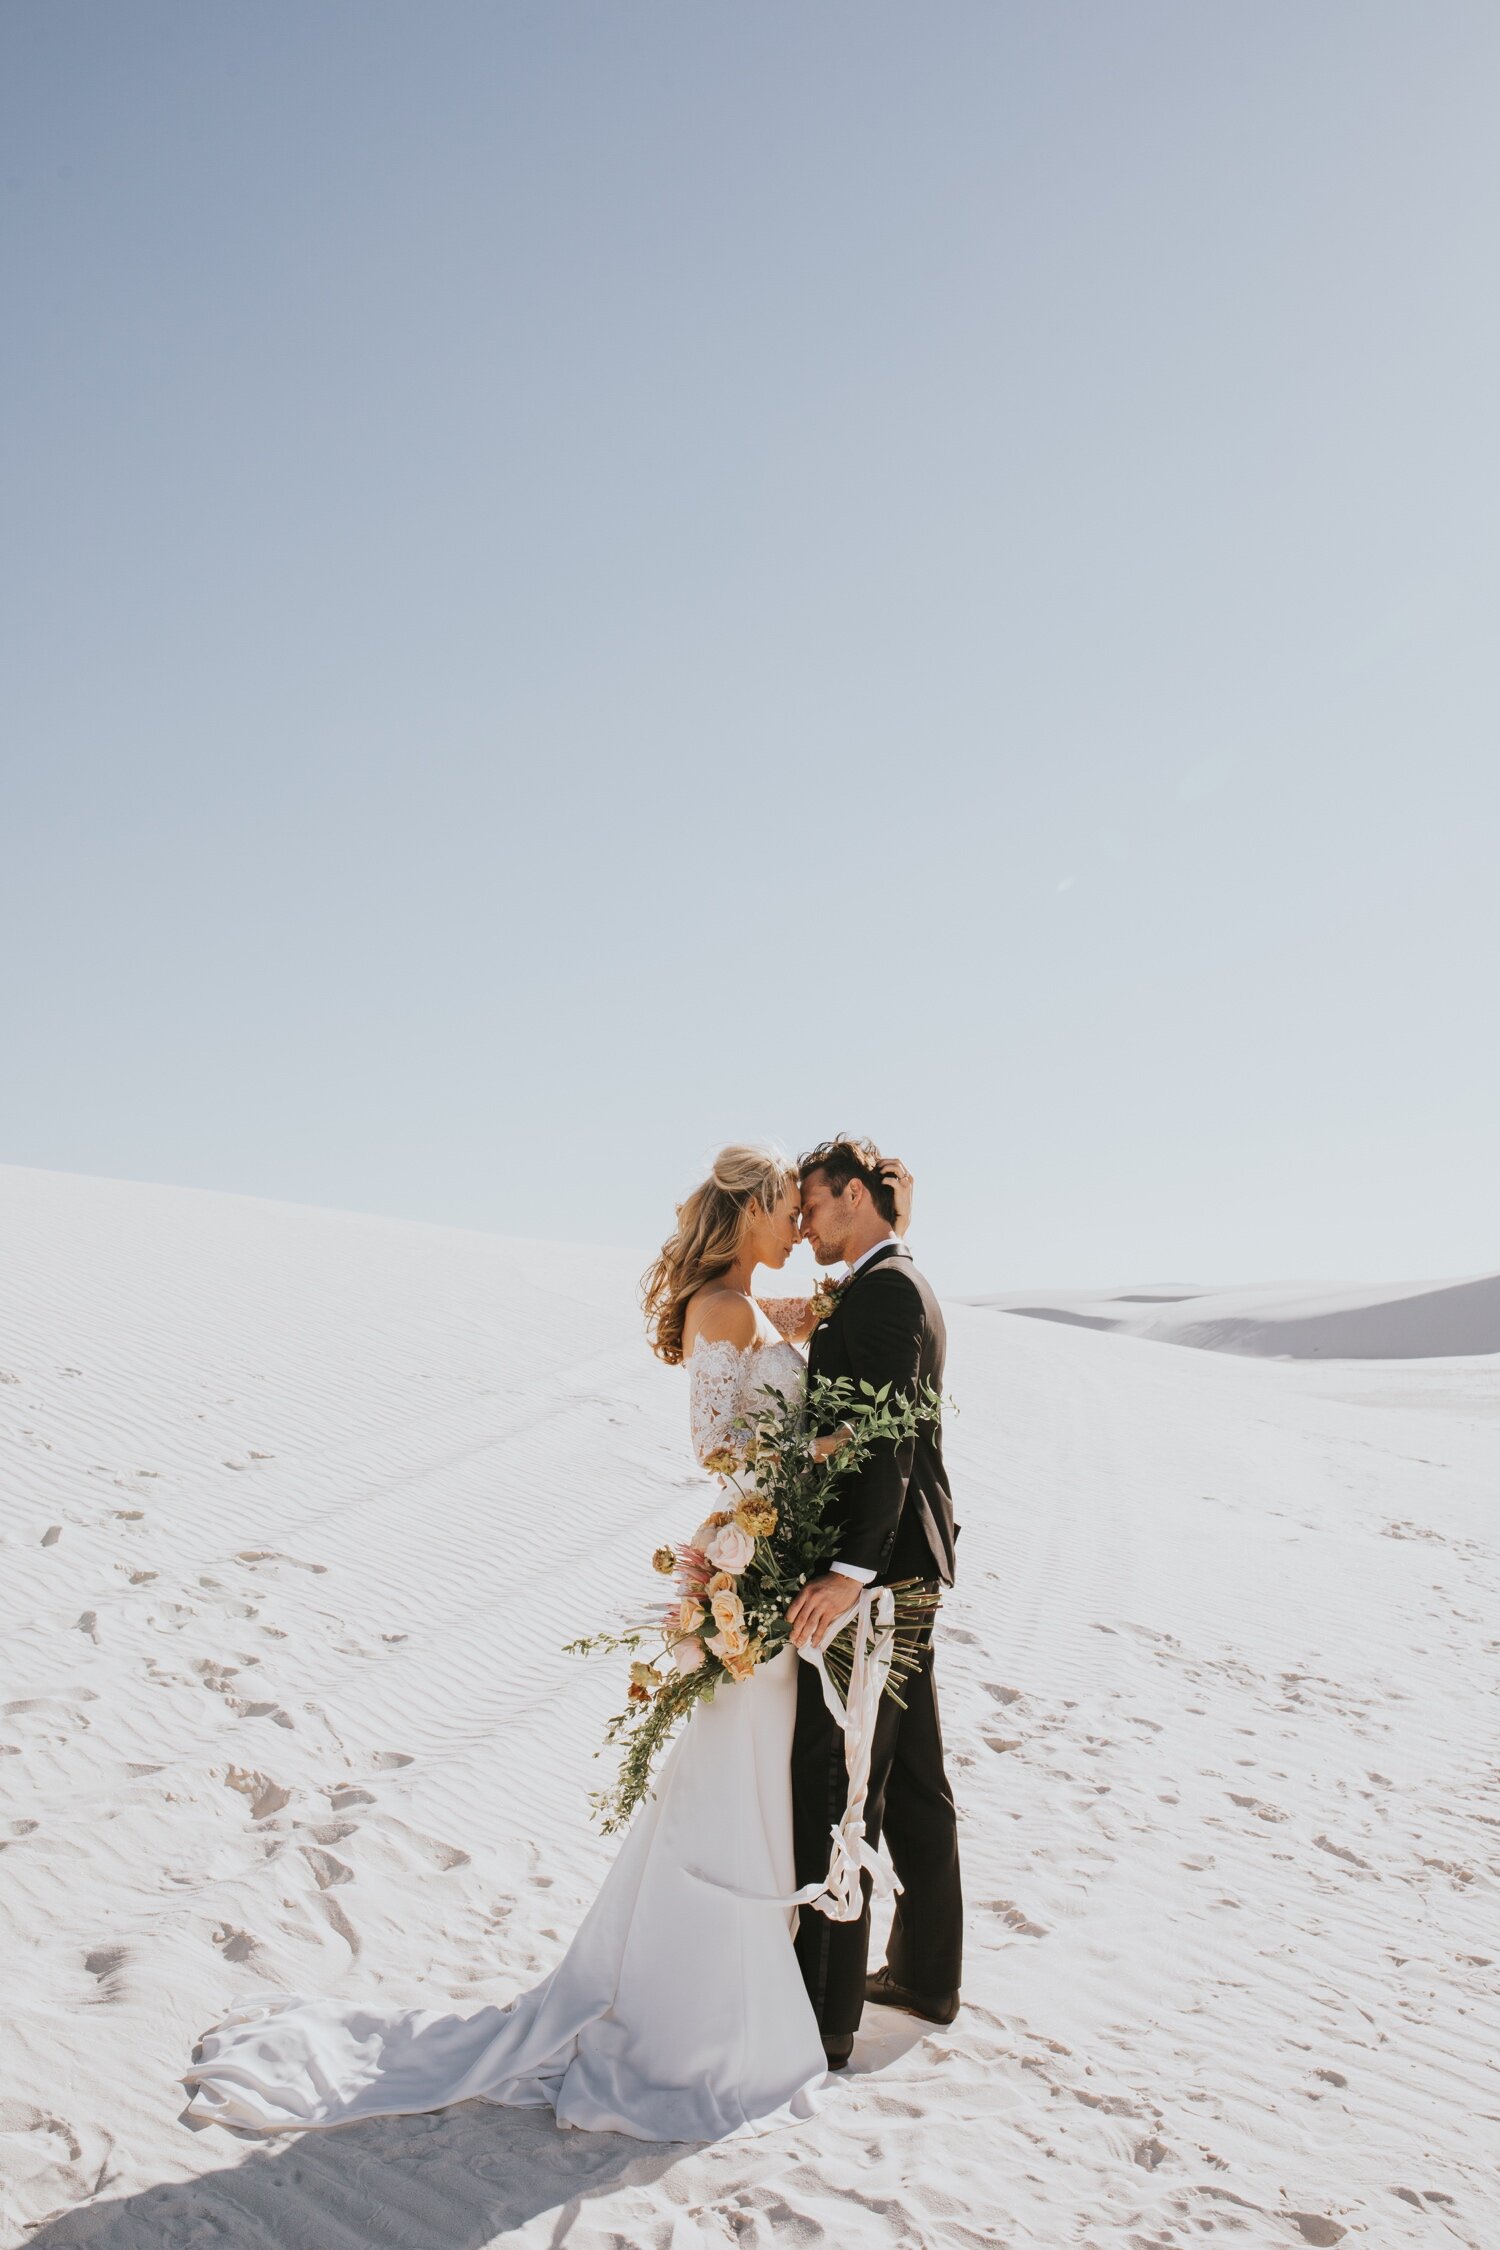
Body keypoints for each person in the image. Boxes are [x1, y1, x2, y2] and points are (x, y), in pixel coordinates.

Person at [182, 1142, 917, 2142]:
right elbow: (717, 1446)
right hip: (758, 1559)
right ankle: (704, 2017)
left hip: (767, 1559)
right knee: (732, 1784)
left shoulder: (745, 1304)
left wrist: (806, 1329)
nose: (799, 1218)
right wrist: (815, 1447)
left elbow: (771, 1359)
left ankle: (747, 1993)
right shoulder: (720, 1307)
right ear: (748, 1213)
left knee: (746, 1781)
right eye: (786, 1203)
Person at [787, 1136, 962, 2071]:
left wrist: (850, 1573)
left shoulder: (889, 1291)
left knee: (846, 1779)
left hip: (884, 1576)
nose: (803, 1222)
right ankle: (928, 1978)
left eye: (811, 1204)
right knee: (918, 1779)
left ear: (854, 1196)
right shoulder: (895, 1285)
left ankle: (826, 2019)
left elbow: (888, 1438)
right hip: (907, 1566)